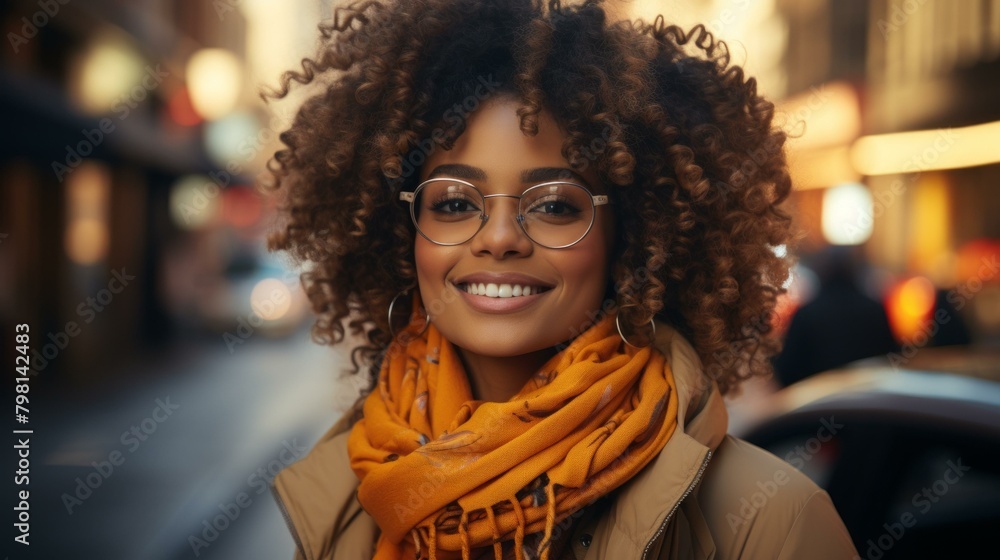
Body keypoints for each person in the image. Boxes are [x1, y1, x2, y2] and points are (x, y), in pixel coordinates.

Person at [265, 1, 859, 558]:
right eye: (452, 203)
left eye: (553, 205)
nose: (498, 237)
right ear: (406, 235)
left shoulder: (770, 524)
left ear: (627, 239)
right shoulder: (343, 499)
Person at [772, 245, 900, 387]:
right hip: (868, 400)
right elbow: (891, 358)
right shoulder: (874, 310)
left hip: (814, 402)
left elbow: (786, 368)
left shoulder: (807, 313)